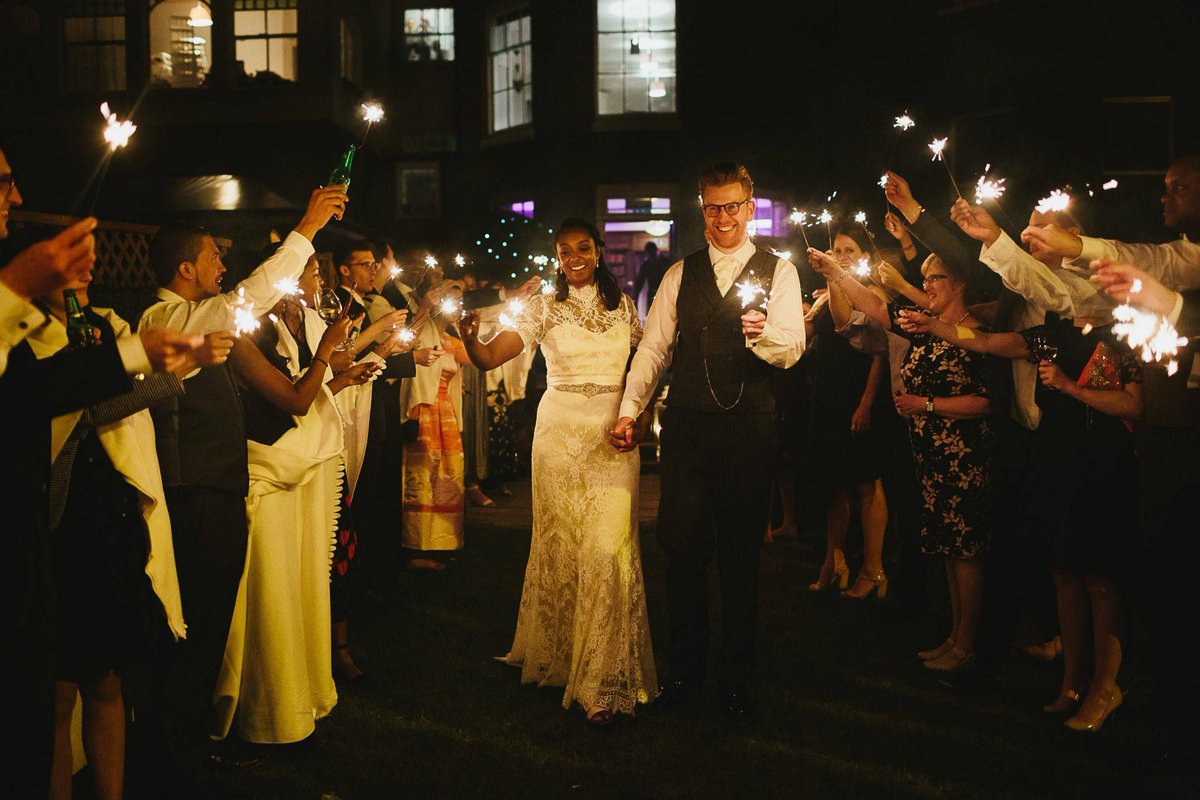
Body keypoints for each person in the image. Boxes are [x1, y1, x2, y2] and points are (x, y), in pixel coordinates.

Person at [138, 185, 345, 761]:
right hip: (194, 495)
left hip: (218, 491)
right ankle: (174, 753)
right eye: (212, 258)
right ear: (185, 268)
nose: (223, 268)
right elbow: (246, 299)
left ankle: (191, 743)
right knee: (195, 631)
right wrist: (306, 229)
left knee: (208, 629)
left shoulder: (197, 315)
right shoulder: (164, 317)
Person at [613, 162, 806, 717]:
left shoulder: (781, 272)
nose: (722, 218)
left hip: (750, 425)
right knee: (681, 548)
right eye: (712, 207)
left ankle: (737, 675)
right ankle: (686, 670)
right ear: (703, 209)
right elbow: (653, 350)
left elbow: (792, 347)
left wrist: (762, 334)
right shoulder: (680, 273)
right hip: (690, 426)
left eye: (732, 207)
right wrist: (631, 408)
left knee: (741, 554)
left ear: (750, 208)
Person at [461, 219, 657, 725]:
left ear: (599, 251)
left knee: (606, 547)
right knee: (563, 543)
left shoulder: (624, 309)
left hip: (612, 435)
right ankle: (562, 655)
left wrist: (642, 419)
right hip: (558, 435)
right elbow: (491, 356)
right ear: (556, 255)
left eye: (583, 248)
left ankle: (603, 679)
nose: (573, 257)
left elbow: (648, 367)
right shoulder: (543, 307)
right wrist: (472, 345)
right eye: (564, 250)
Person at [809, 247, 993, 675]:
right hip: (930, 453)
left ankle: (969, 642)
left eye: (935, 279)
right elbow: (875, 306)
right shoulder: (927, 328)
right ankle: (954, 634)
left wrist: (926, 404)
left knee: (965, 549)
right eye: (924, 278)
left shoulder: (976, 331)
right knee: (948, 547)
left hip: (963, 453)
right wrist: (837, 271)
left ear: (960, 283)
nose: (926, 286)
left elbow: (986, 401)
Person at [803, 226, 891, 599]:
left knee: (866, 481)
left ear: (864, 253)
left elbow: (878, 352)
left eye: (849, 249)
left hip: (860, 391)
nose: (841, 255)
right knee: (834, 481)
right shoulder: (829, 294)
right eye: (836, 248)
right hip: (829, 393)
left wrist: (867, 401)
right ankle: (832, 560)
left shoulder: (875, 292)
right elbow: (821, 331)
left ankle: (873, 569)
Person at [634, 241, 670, 317]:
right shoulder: (646, 264)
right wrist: (635, 296)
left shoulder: (665, 262)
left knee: (664, 315)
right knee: (652, 315)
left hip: (664, 292)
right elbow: (640, 281)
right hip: (654, 292)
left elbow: (640, 281)